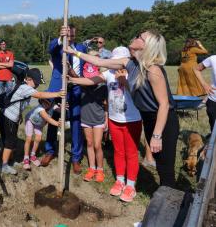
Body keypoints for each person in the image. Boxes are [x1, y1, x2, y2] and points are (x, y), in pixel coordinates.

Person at [66, 29, 179, 188]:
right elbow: (99, 62)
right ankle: (163, 195)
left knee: (166, 167)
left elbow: (164, 105)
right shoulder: (129, 62)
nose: (136, 36)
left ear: (146, 46)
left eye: (140, 36)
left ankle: (168, 201)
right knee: (160, 163)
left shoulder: (153, 70)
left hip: (164, 121)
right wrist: (75, 53)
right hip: (148, 118)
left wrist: (157, 135)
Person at [69, 47, 143, 202]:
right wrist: (73, 80)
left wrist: (125, 82)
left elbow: (140, 94)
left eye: (118, 61)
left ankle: (130, 185)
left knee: (131, 152)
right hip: (115, 120)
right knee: (118, 151)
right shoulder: (108, 74)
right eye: (113, 61)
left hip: (132, 120)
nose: (115, 64)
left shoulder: (135, 73)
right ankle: (119, 180)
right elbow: (91, 80)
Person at [0, 68, 65, 175]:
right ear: (29, 79)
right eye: (37, 82)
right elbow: (40, 95)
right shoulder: (26, 88)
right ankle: (4, 166)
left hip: (11, 116)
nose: (38, 85)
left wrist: (19, 116)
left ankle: (9, 161)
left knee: (11, 140)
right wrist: (57, 94)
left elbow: (19, 104)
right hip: (8, 117)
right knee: (10, 142)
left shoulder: (25, 87)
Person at [41, 24, 87, 175]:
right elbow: (51, 48)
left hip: (75, 86)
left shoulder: (81, 48)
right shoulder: (58, 45)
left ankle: (75, 157)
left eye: (73, 36)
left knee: (75, 120)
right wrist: (61, 38)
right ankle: (50, 150)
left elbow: (85, 66)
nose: (71, 38)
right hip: (59, 86)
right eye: (68, 35)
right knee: (54, 117)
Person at [74, 50, 108, 183]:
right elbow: (73, 76)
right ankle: (92, 168)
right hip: (86, 118)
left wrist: (106, 120)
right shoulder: (82, 85)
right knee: (89, 143)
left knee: (97, 145)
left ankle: (100, 169)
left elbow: (106, 105)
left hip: (98, 118)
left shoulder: (103, 85)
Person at [23, 99, 62, 170]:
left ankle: (32, 155)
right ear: (41, 102)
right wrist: (58, 123)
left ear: (51, 104)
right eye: (44, 102)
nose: (45, 104)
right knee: (29, 138)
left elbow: (58, 109)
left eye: (47, 103)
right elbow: (48, 119)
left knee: (38, 138)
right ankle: (26, 158)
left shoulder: (52, 106)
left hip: (39, 124)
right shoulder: (40, 109)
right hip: (30, 120)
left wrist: (62, 108)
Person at [194, 55, 216, 135]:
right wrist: (204, 84)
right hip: (213, 101)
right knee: (214, 132)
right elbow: (196, 69)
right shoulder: (213, 59)